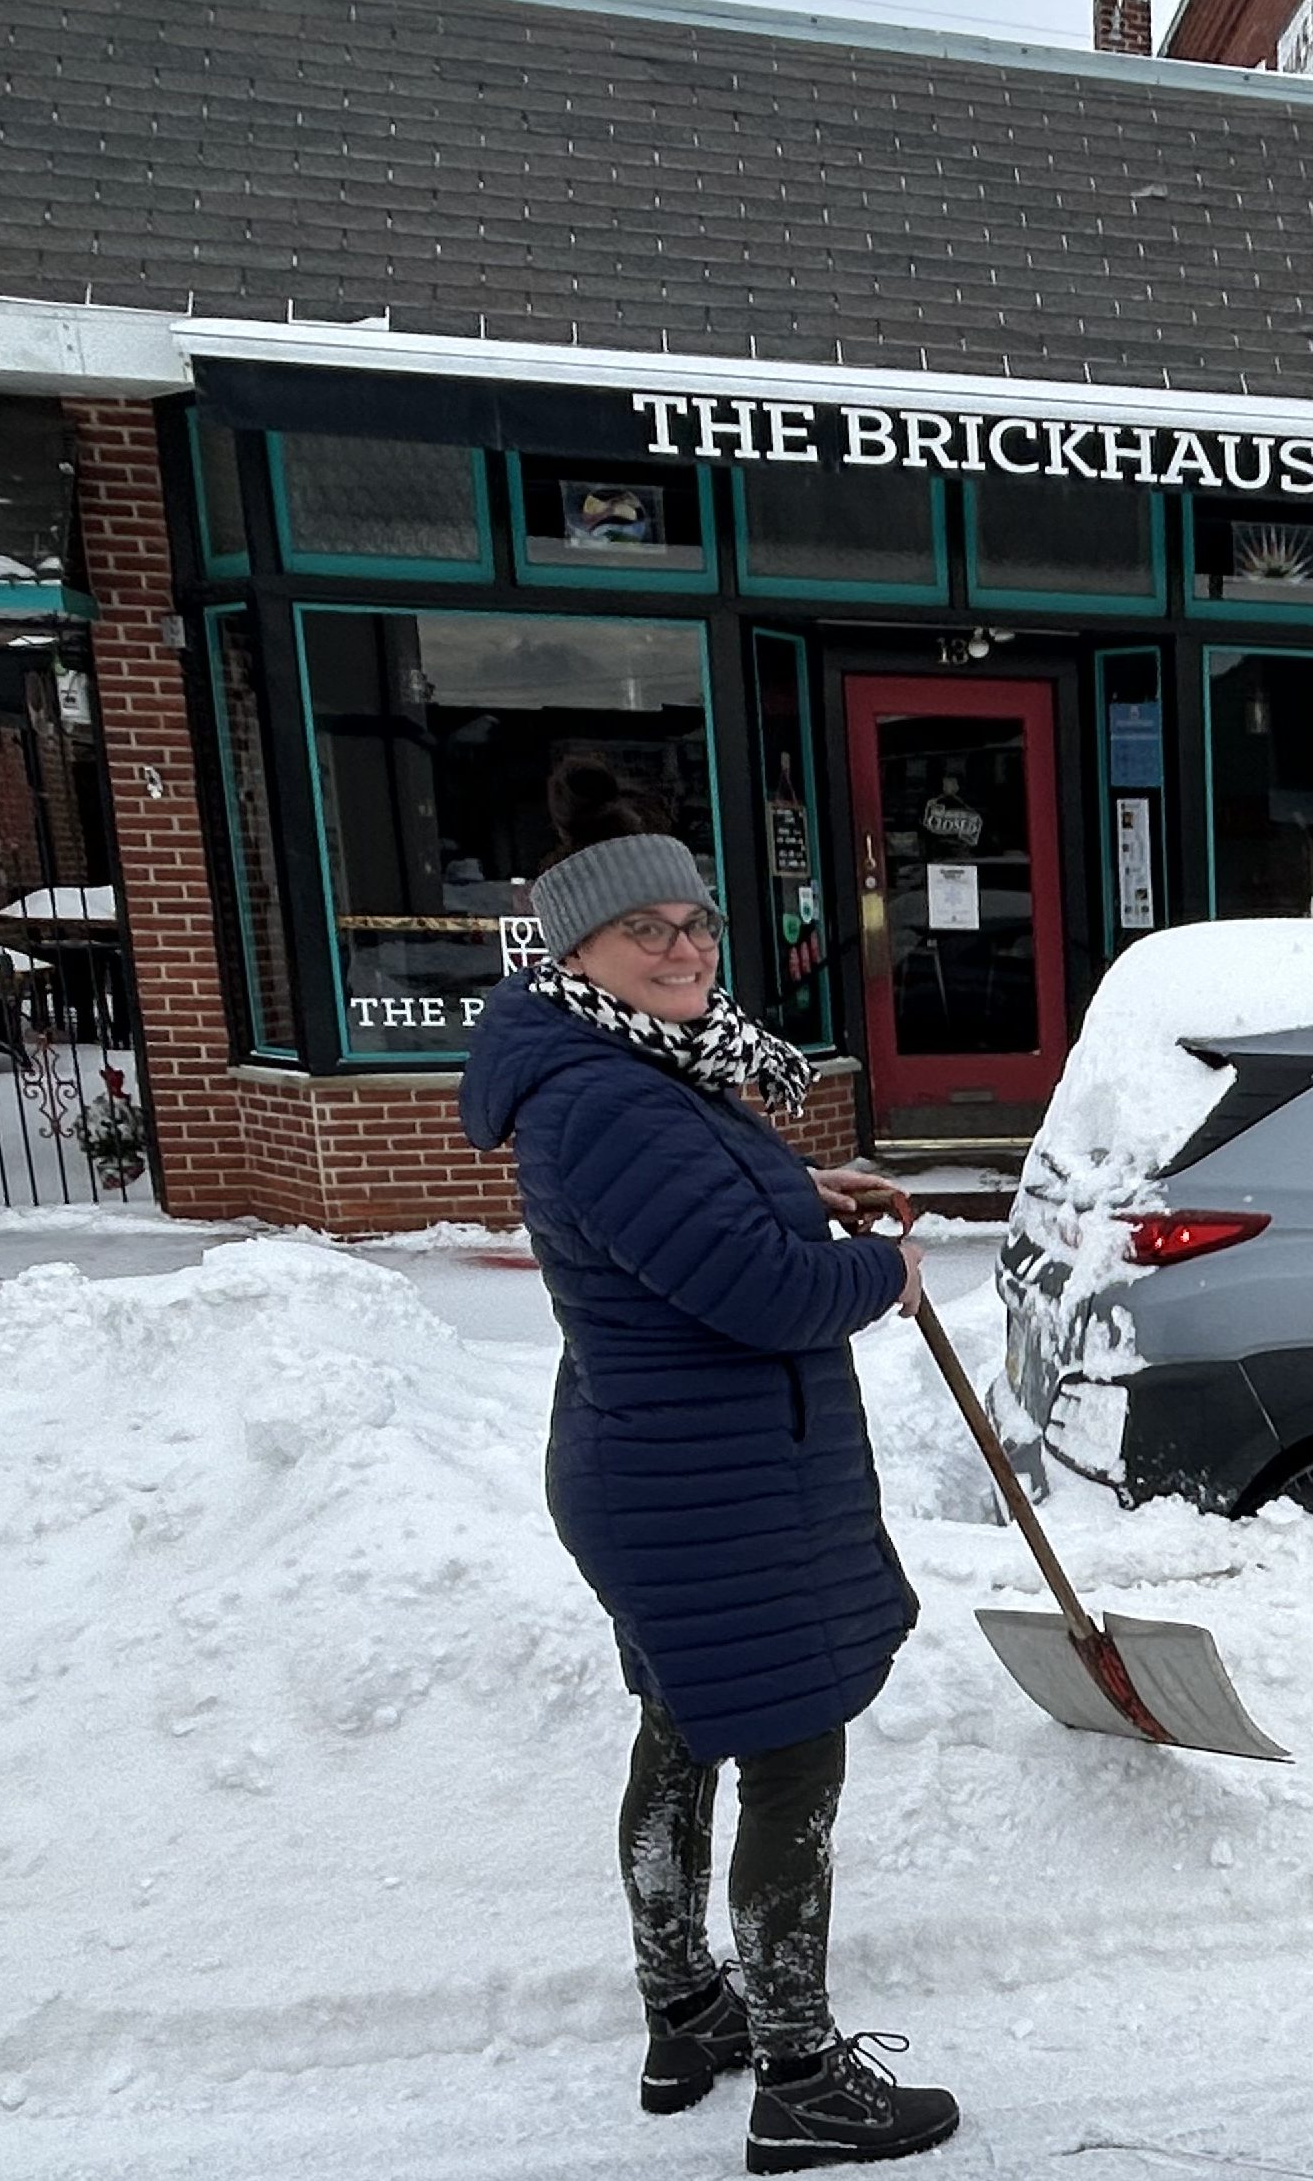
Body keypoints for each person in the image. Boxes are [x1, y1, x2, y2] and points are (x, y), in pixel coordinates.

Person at [459, 814, 960, 2171]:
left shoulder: (620, 1062)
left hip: (684, 1463)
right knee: (793, 1751)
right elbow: (751, 1288)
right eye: (646, 929)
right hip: (700, 1477)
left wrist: (804, 1184)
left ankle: (687, 2012)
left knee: (684, 1729)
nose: (681, 946)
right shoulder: (607, 1092)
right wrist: (878, 1273)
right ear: (578, 951)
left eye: (693, 921)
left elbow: (695, 1214)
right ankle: (799, 2073)